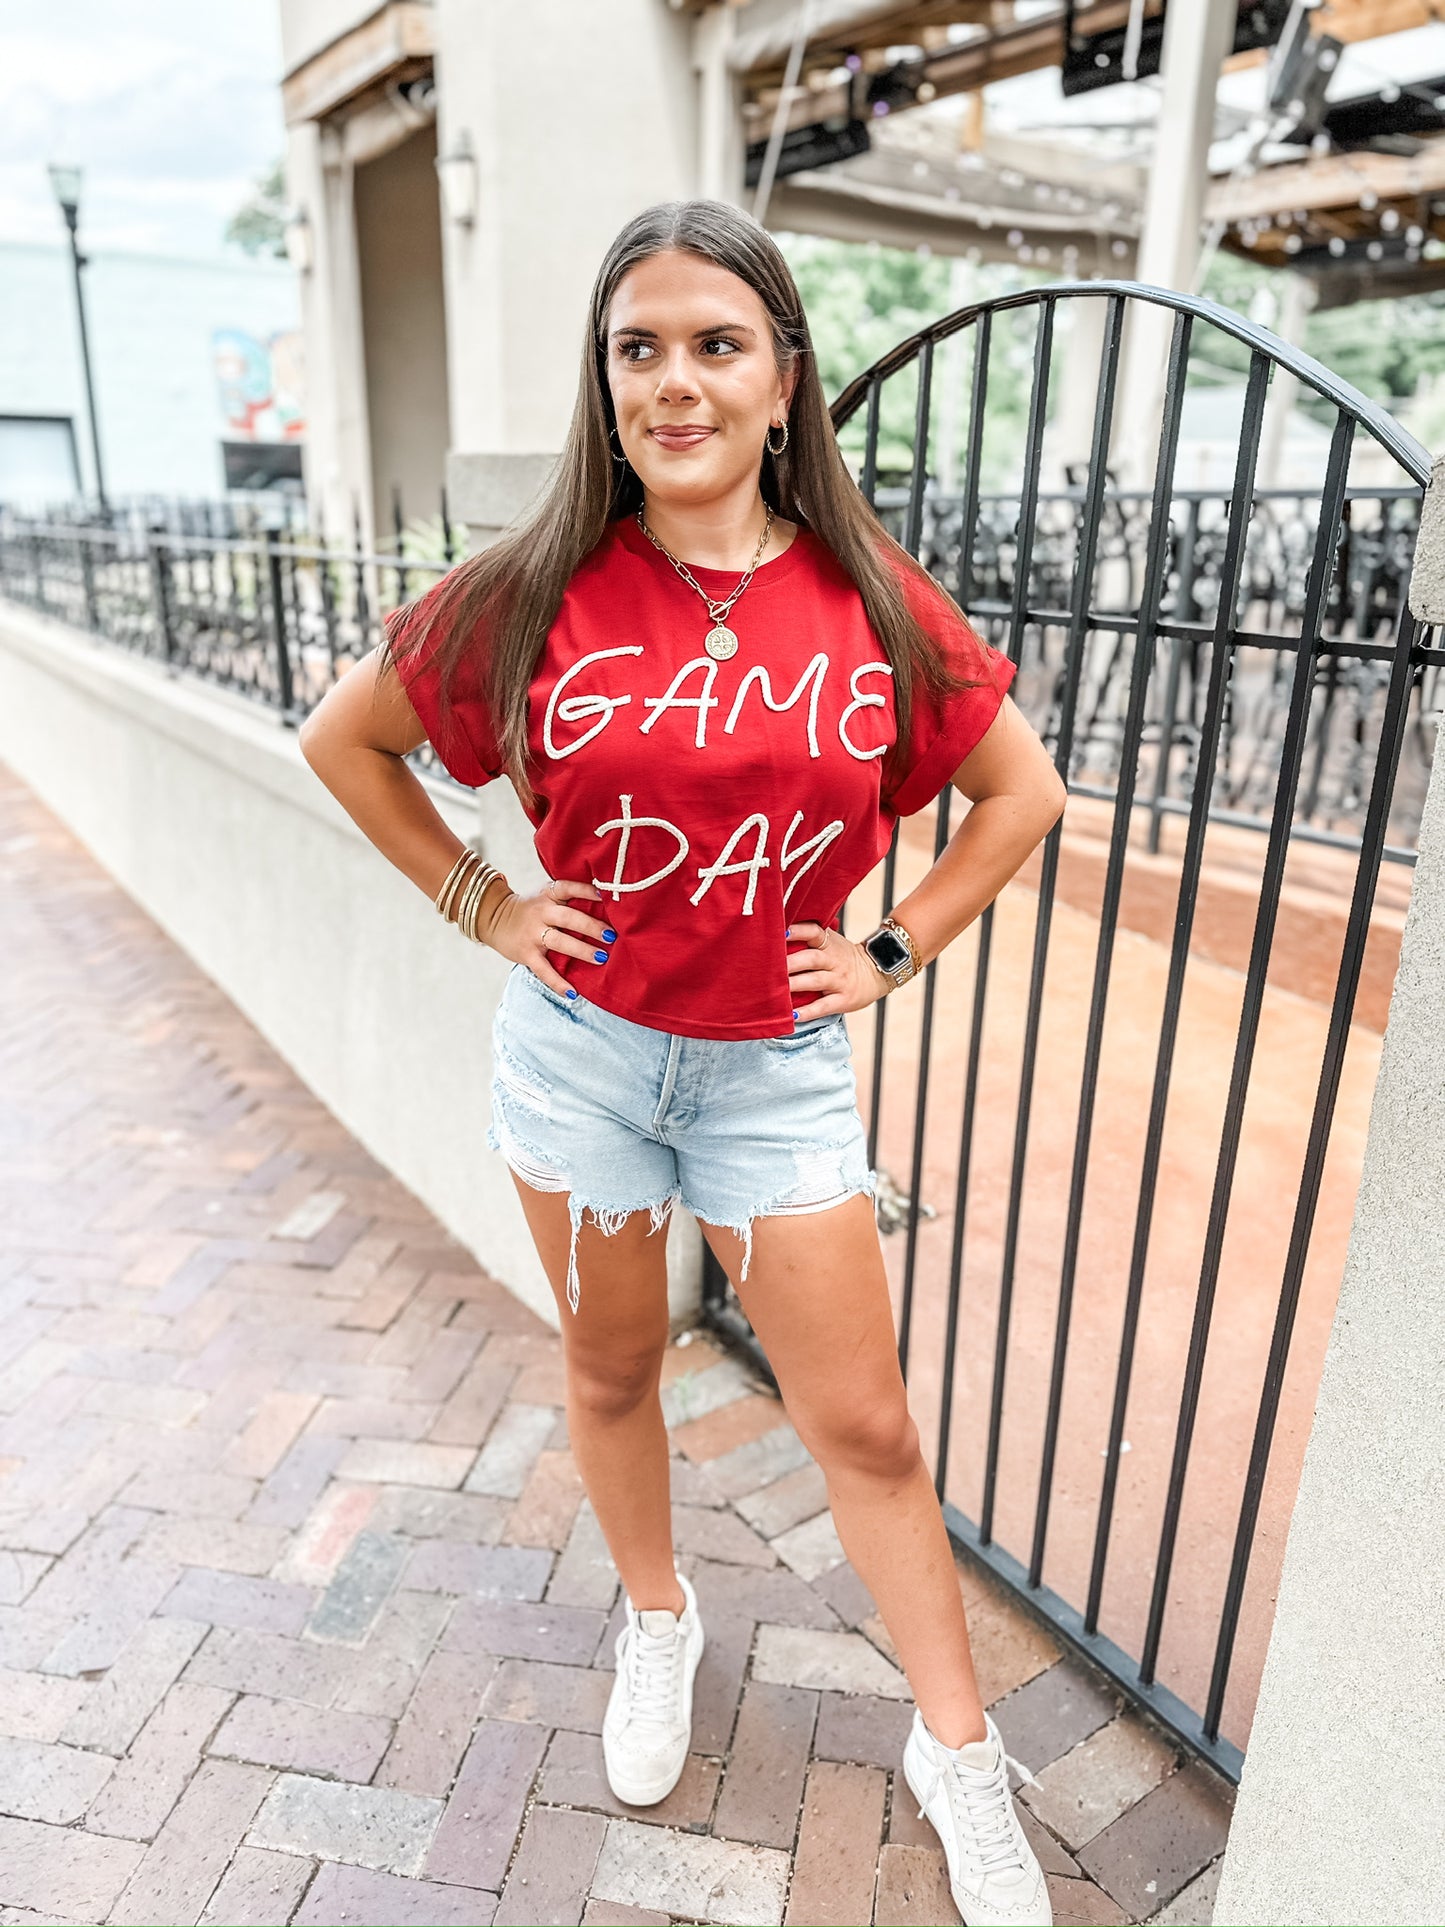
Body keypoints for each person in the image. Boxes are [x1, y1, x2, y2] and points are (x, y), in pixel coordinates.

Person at [299, 199, 1066, 1927]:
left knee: (861, 1426)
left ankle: (957, 1753)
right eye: (636, 346)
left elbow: (1022, 794)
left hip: (773, 1073)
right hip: (578, 1065)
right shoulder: (530, 593)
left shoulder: (867, 597)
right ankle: (660, 1617)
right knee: (611, 1371)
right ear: (606, 379)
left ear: (783, 379)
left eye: (715, 344)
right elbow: (348, 741)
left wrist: (891, 945)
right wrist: (480, 899)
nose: (674, 380)